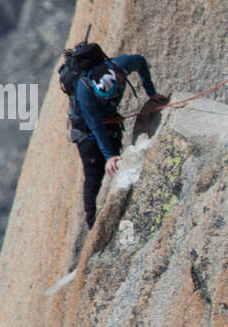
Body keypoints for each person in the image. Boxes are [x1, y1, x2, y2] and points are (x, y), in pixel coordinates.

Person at [70, 53, 167, 228]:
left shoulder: (121, 66)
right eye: (104, 97)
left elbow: (141, 61)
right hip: (86, 129)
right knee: (94, 175)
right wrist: (109, 156)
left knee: (117, 165)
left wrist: (152, 93)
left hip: (109, 120)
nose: (108, 98)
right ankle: (92, 223)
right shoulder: (85, 92)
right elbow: (95, 125)